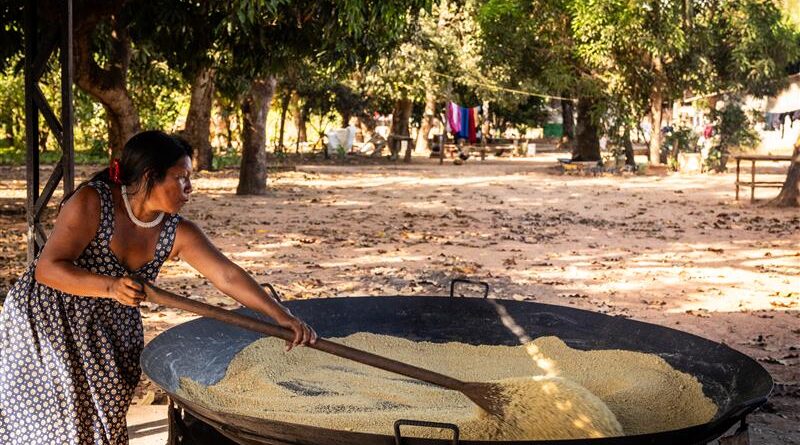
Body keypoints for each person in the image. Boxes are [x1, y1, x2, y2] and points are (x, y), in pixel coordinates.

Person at [0, 130, 317, 445]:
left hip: (107, 331)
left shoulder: (176, 231)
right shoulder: (92, 202)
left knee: (101, 421)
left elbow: (227, 276)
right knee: (49, 424)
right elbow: (48, 268)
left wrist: (281, 316)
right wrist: (111, 287)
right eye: (181, 178)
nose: (190, 189)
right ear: (151, 176)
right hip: (47, 321)